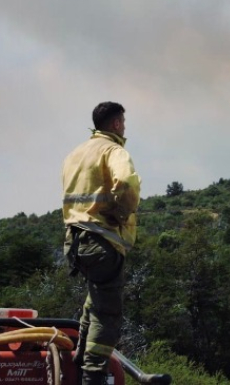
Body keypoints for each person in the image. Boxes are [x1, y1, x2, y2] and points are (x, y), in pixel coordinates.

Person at [62, 102, 141, 385]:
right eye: (123, 123)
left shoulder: (75, 154)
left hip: (75, 242)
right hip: (102, 241)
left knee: (95, 301)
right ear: (117, 124)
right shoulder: (114, 151)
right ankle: (93, 376)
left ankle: (79, 357)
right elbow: (127, 184)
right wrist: (121, 213)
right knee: (107, 314)